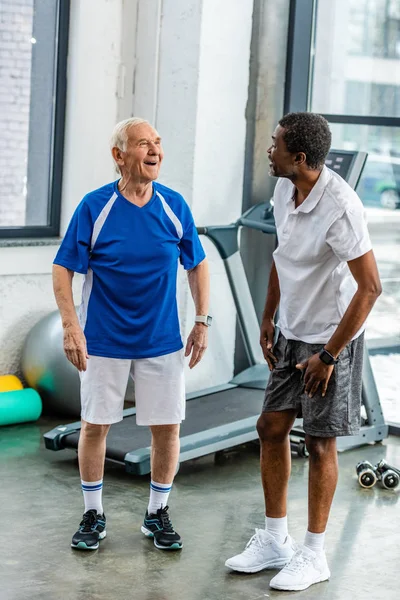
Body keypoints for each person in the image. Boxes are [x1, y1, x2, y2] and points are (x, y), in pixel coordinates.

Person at [225, 112, 382, 591]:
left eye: (275, 145)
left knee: (320, 443)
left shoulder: (341, 208)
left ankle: (314, 555)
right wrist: (269, 317)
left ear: (299, 157)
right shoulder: (282, 190)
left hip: (330, 339)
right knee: (270, 427)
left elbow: (370, 288)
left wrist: (330, 356)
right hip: (292, 332)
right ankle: (276, 540)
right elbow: (282, 257)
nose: (268, 151)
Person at [53, 117, 210, 552]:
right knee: (95, 426)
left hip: (161, 340)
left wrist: (202, 320)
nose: (154, 150)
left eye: (158, 143)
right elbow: (63, 267)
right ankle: (93, 512)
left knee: (167, 429)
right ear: (119, 156)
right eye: (144, 144)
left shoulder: (173, 205)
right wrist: (71, 326)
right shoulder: (95, 207)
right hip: (103, 339)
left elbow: (196, 263)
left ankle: (157, 513)